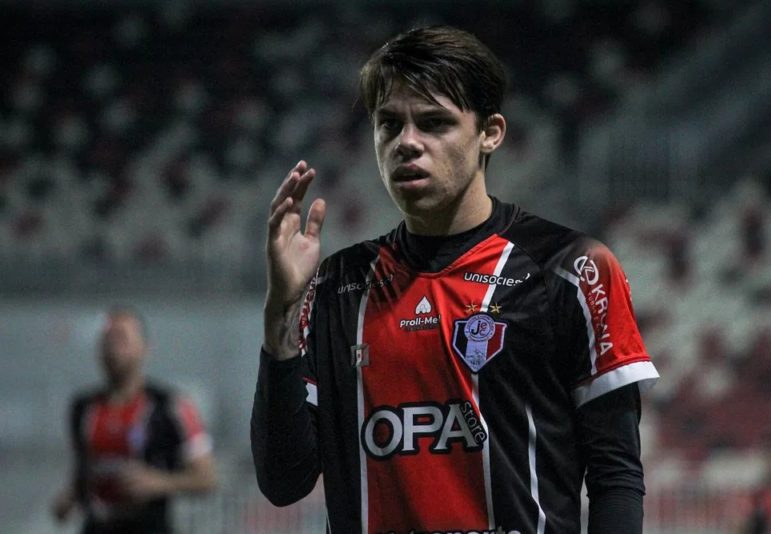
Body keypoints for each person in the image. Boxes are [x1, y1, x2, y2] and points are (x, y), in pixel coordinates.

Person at [251, 25, 659, 533]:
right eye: (389, 124)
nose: (407, 143)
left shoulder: (574, 267)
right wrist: (281, 313)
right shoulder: (336, 285)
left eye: (434, 123)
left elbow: (616, 475)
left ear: (491, 132)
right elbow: (283, 481)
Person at [52, 306, 216, 534]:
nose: (113, 347)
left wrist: (160, 482)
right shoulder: (83, 408)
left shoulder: (171, 407)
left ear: (144, 347)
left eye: (122, 338)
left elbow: (207, 478)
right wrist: (70, 498)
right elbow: (84, 471)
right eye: (107, 339)